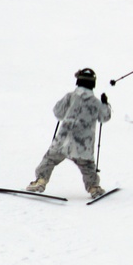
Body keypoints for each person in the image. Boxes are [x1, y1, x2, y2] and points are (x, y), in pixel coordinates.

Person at [27, 68, 112, 199]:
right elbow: (104, 118)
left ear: (78, 81)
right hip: (84, 143)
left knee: (49, 159)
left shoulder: (70, 96)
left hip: (64, 138)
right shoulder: (96, 102)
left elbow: (58, 112)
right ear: (93, 84)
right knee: (88, 166)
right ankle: (93, 187)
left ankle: (40, 181)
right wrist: (105, 104)